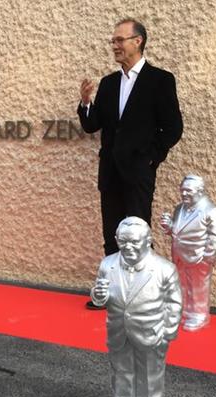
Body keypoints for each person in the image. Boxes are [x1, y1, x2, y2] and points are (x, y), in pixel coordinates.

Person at [78, 19, 183, 309]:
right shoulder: (110, 84)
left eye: (119, 40)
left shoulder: (161, 80)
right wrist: (86, 103)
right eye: (113, 41)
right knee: (112, 233)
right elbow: (92, 125)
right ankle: (110, 293)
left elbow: (173, 128)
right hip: (110, 172)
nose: (114, 45)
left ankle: (141, 295)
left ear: (137, 41)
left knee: (137, 232)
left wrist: (151, 158)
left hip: (138, 172)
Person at [90, 217, 181, 397]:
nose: (128, 246)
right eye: (123, 241)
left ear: (148, 240)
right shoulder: (108, 264)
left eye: (134, 241)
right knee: (121, 369)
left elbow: (174, 303)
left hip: (151, 332)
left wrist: (167, 332)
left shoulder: (164, 269)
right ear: (116, 240)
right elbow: (99, 293)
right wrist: (98, 296)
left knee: (150, 372)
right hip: (118, 329)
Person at [160, 174, 216, 331]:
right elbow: (177, 231)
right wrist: (169, 227)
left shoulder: (211, 211)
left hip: (199, 257)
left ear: (200, 191)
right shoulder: (179, 208)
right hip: (179, 255)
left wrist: (207, 258)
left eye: (188, 191)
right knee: (181, 284)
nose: (184, 194)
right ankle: (184, 312)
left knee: (198, 287)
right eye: (182, 190)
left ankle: (199, 315)